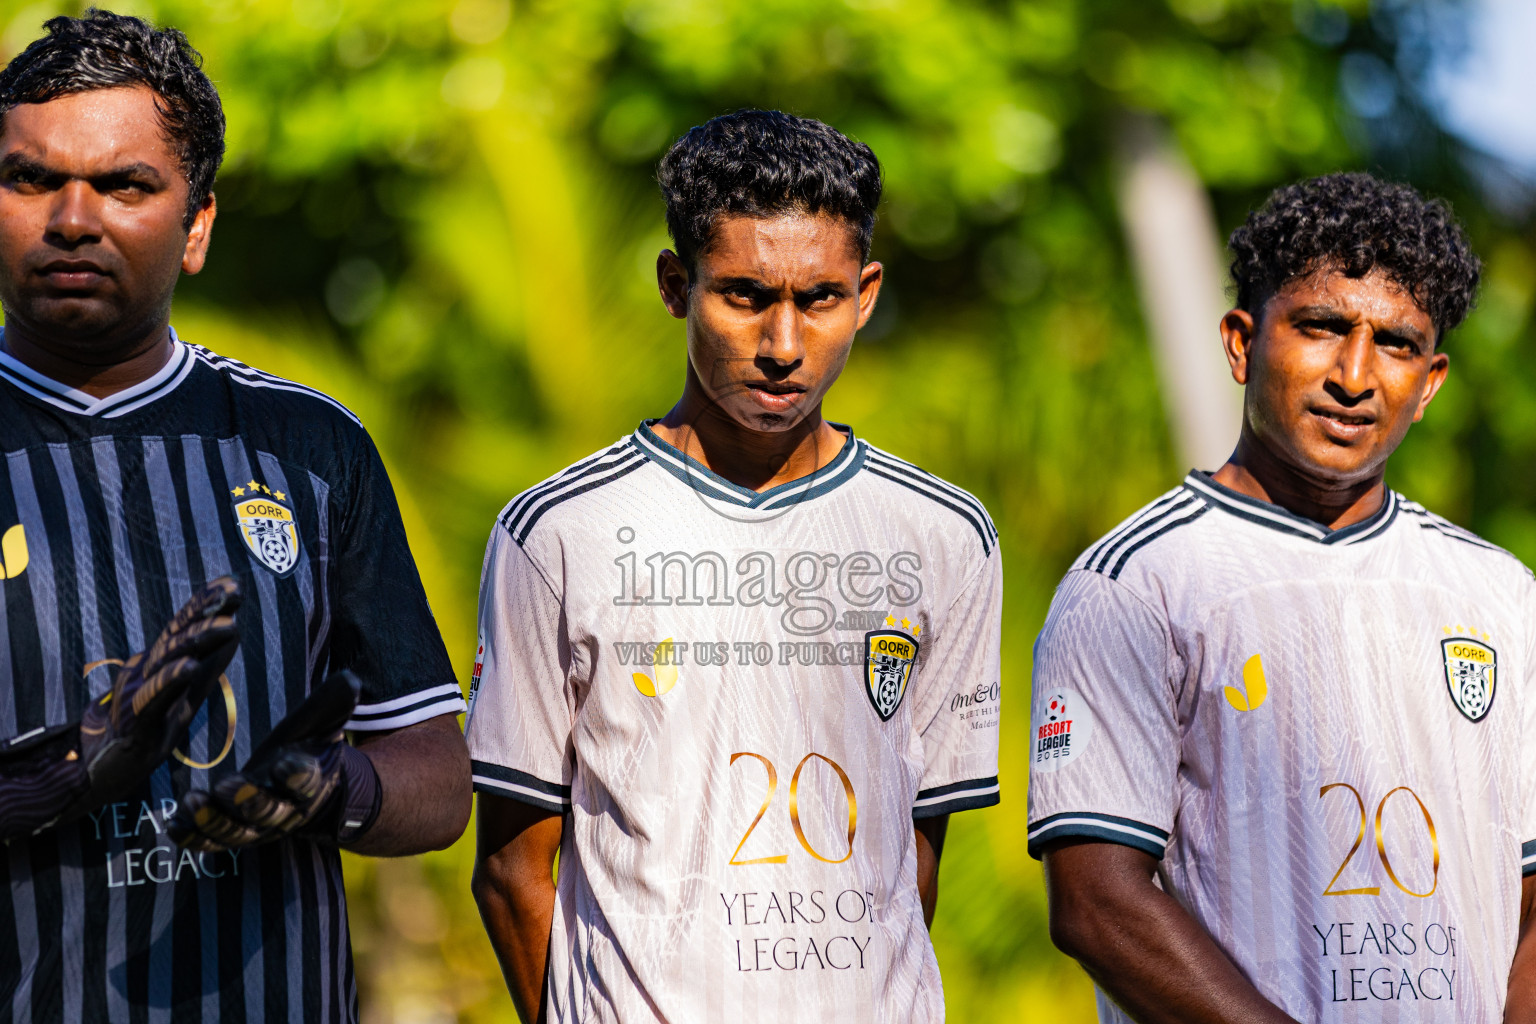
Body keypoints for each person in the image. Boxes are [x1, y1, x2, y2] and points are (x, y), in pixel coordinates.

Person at [467, 109, 1003, 1023]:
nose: (784, 345)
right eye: (747, 295)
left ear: (866, 294)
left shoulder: (942, 533)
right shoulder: (559, 532)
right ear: (678, 285)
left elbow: (912, 855)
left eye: (821, 299)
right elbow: (514, 871)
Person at [0, 10, 470, 1022]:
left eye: (125, 185)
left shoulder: (307, 446)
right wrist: (61, 776)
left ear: (198, 224)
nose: (72, 218)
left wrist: (332, 787)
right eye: (31, 179)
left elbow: (436, 772)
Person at [1028, 172, 1536, 1022]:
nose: (1355, 374)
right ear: (1241, 341)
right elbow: (1097, 907)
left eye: (1397, 344)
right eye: (1322, 326)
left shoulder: (1499, 594)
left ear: (1433, 380)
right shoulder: (1135, 583)